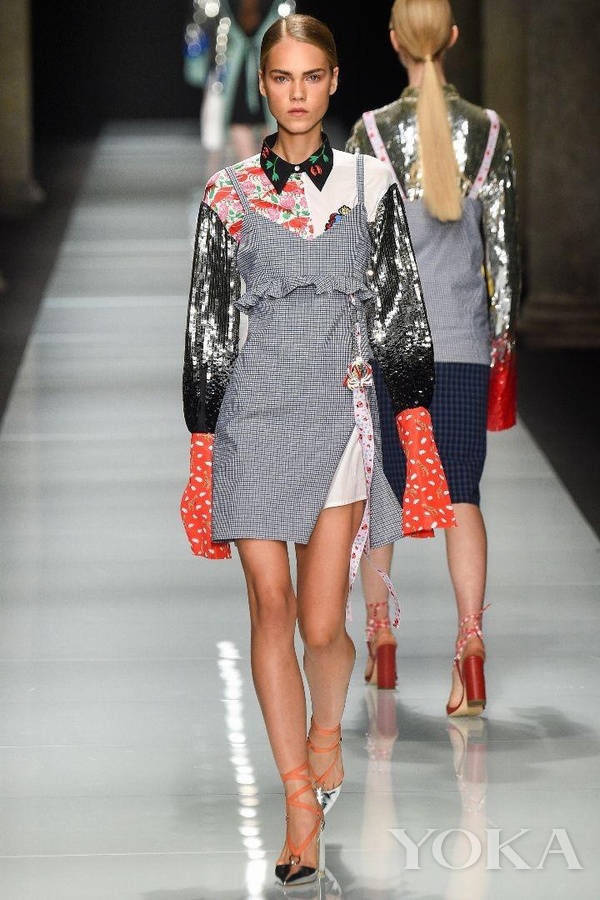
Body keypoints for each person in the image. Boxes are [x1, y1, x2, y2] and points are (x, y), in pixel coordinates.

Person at [180, 13, 455, 887]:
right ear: (263, 86)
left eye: (311, 77)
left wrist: (415, 429)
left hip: (341, 413)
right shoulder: (226, 195)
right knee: (271, 606)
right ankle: (299, 798)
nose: (296, 94)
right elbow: (208, 326)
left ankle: (327, 733)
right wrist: (201, 452)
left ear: (334, 81)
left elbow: (401, 308)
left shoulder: (370, 184)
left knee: (323, 625)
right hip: (254, 415)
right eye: (281, 78)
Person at [346, 0, 521, 713]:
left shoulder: (369, 134)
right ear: (452, 37)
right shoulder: (489, 132)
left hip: (390, 345)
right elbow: (503, 254)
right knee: (463, 496)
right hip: (462, 345)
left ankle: (381, 637)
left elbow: (357, 252)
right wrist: (501, 340)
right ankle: (470, 645)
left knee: (381, 495)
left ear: (394, 40)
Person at [184, 1, 297, 161]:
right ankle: (259, 170)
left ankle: (258, 170)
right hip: (246, 70)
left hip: (248, 70)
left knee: (256, 122)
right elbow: (200, 28)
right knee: (253, 121)